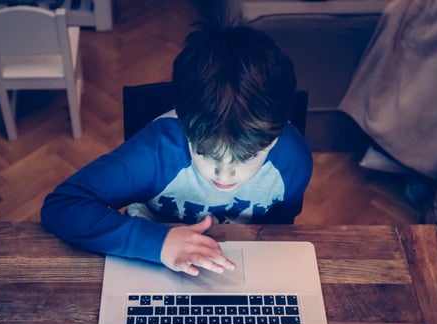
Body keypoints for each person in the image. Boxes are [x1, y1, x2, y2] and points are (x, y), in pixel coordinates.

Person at [41, 23, 313, 276]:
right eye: (206, 153)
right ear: (184, 124)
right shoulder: (155, 152)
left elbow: (281, 227)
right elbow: (63, 205)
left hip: (241, 261)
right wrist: (157, 243)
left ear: (275, 138)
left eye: (247, 156)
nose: (225, 174)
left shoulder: (293, 161)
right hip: (151, 258)